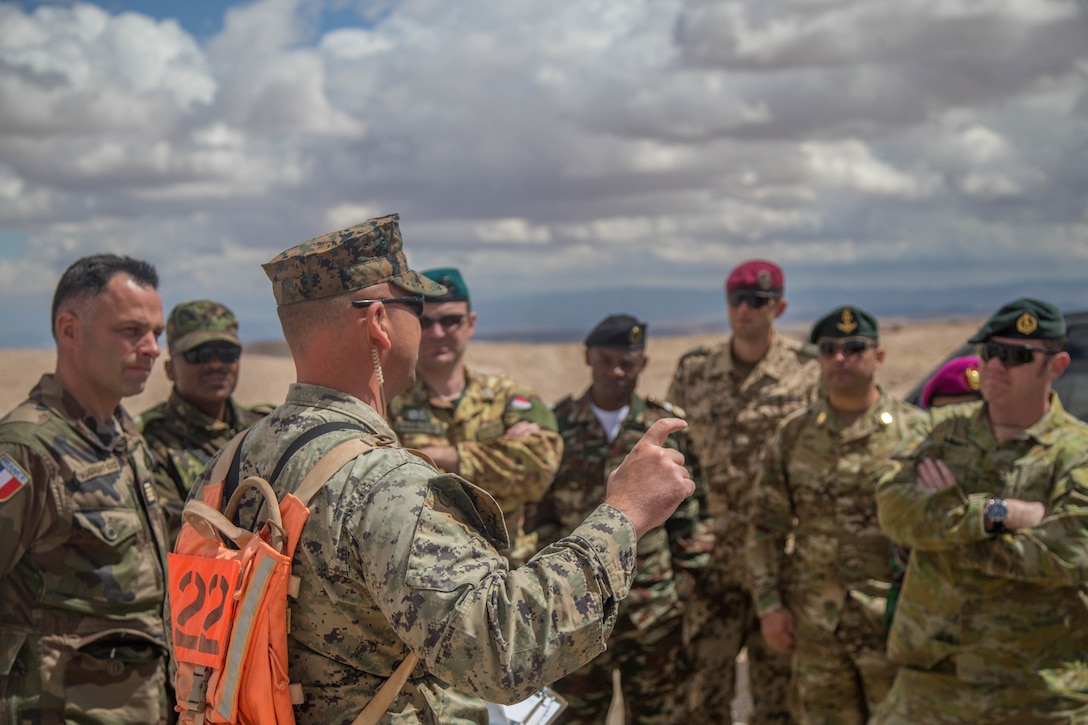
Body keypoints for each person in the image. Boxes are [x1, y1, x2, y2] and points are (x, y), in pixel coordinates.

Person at [183, 213, 696, 724]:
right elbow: (503, 652)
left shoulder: (226, 464)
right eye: (418, 308)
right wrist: (624, 512)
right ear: (380, 322)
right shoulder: (383, 484)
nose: (427, 328)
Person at [872, 298, 1088, 723]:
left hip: (1037, 692)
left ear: (1057, 366)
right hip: (931, 685)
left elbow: (1071, 551)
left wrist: (939, 539)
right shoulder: (936, 430)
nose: (995, 366)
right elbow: (893, 511)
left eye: (1015, 357)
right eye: (989, 352)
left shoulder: (1078, 452)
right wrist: (994, 515)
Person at [0, 254, 172, 724]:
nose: (152, 348)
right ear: (70, 330)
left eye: (156, 333)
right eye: (131, 331)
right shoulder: (25, 449)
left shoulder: (124, 434)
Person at [527, 314, 712, 725]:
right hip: (578, 610)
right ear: (588, 357)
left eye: (626, 362)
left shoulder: (665, 430)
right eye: (606, 359)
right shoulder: (558, 428)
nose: (616, 371)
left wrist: (681, 591)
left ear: (642, 364)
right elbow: (539, 518)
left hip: (653, 615)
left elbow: (694, 521)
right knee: (573, 717)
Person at [747, 306, 925, 724]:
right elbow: (765, 528)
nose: (840, 358)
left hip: (895, 624)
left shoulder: (916, 433)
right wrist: (770, 607)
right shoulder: (793, 435)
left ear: (878, 357)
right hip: (816, 628)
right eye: (829, 349)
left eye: (854, 348)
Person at [667, 259, 820, 724]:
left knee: (778, 700)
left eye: (759, 301)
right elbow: (676, 453)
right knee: (704, 694)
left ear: (780, 307)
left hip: (779, 561)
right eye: (738, 300)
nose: (746, 310)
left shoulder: (807, 371)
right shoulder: (696, 371)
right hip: (712, 561)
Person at [386, 267, 562, 566]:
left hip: (506, 567)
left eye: (450, 320)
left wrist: (428, 456)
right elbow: (387, 482)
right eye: (426, 322)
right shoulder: (387, 401)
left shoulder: (511, 397)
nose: (437, 333)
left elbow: (539, 470)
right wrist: (499, 454)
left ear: (471, 324)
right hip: (423, 568)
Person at [138, 299, 273, 543]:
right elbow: (179, 536)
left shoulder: (265, 428)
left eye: (227, 353)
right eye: (199, 355)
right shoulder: (148, 441)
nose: (215, 364)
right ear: (169, 369)